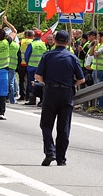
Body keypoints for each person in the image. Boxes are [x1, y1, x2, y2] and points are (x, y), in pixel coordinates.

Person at [35, 30, 85, 166]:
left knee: (46, 124)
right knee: (64, 127)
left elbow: (38, 76)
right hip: (66, 93)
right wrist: (70, 84)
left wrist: (48, 84)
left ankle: (50, 152)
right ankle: (61, 159)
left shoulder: (47, 55)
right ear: (68, 42)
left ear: (55, 40)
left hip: (50, 91)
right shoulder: (72, 57)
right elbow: (81, 79)